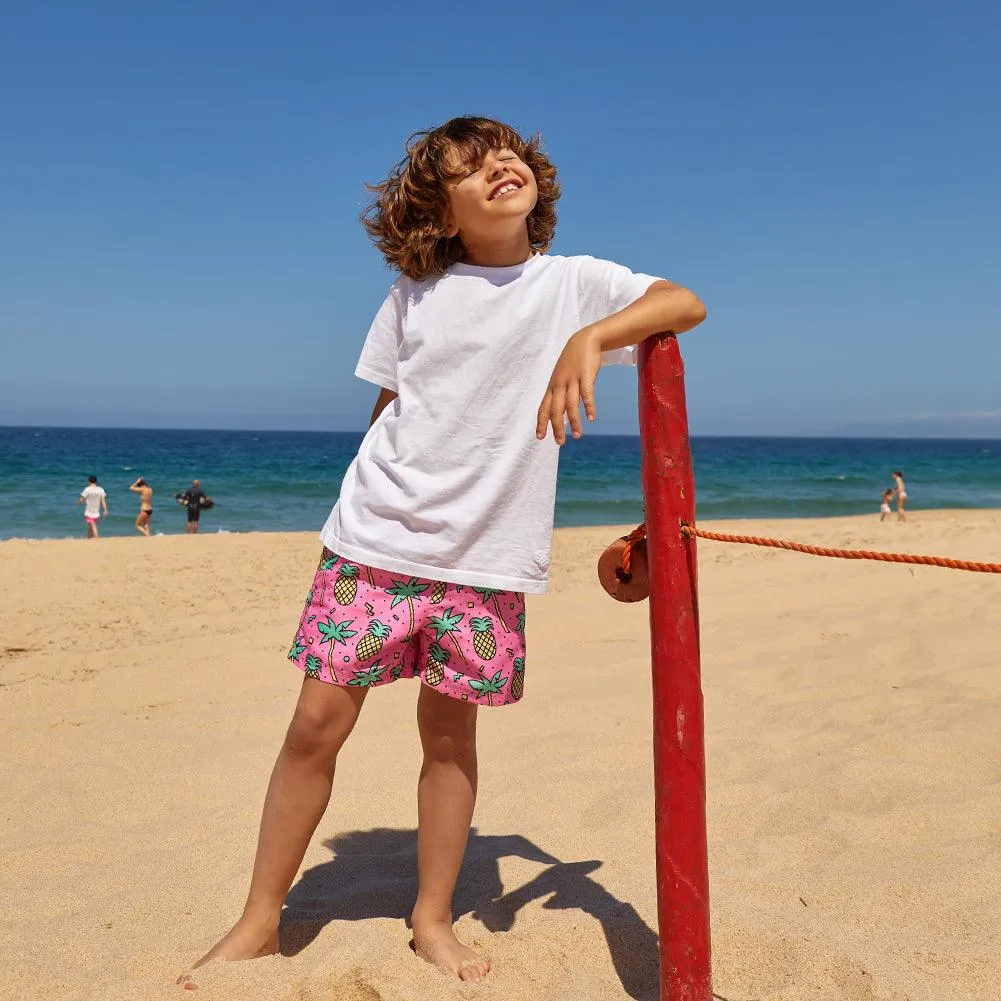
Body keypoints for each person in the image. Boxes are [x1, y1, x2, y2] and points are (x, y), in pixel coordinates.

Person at [184, 116, 705, 985]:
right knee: (315, 723)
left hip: (485, 559)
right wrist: (373, 504)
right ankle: (259, 919)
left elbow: (682, 301)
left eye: (508, 153)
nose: (499, 164)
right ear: (439, 209)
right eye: (471, 165)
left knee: (448, 736)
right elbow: (390, 412)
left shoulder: (574, 285)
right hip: (376, 540)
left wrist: (591, 338)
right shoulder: (410, 296)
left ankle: (431, 917)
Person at [76, 475, 108, 539]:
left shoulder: (87, 489)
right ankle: (89, 539)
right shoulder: (101, 490)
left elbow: (81, 499)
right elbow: (103, 501)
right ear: (96, 481)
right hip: (96, 512)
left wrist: (78, 502)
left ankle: (96, 539)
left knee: (93, 526)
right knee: (91, 526)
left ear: (89, 481)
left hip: (89, 512)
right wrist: (105, 510)